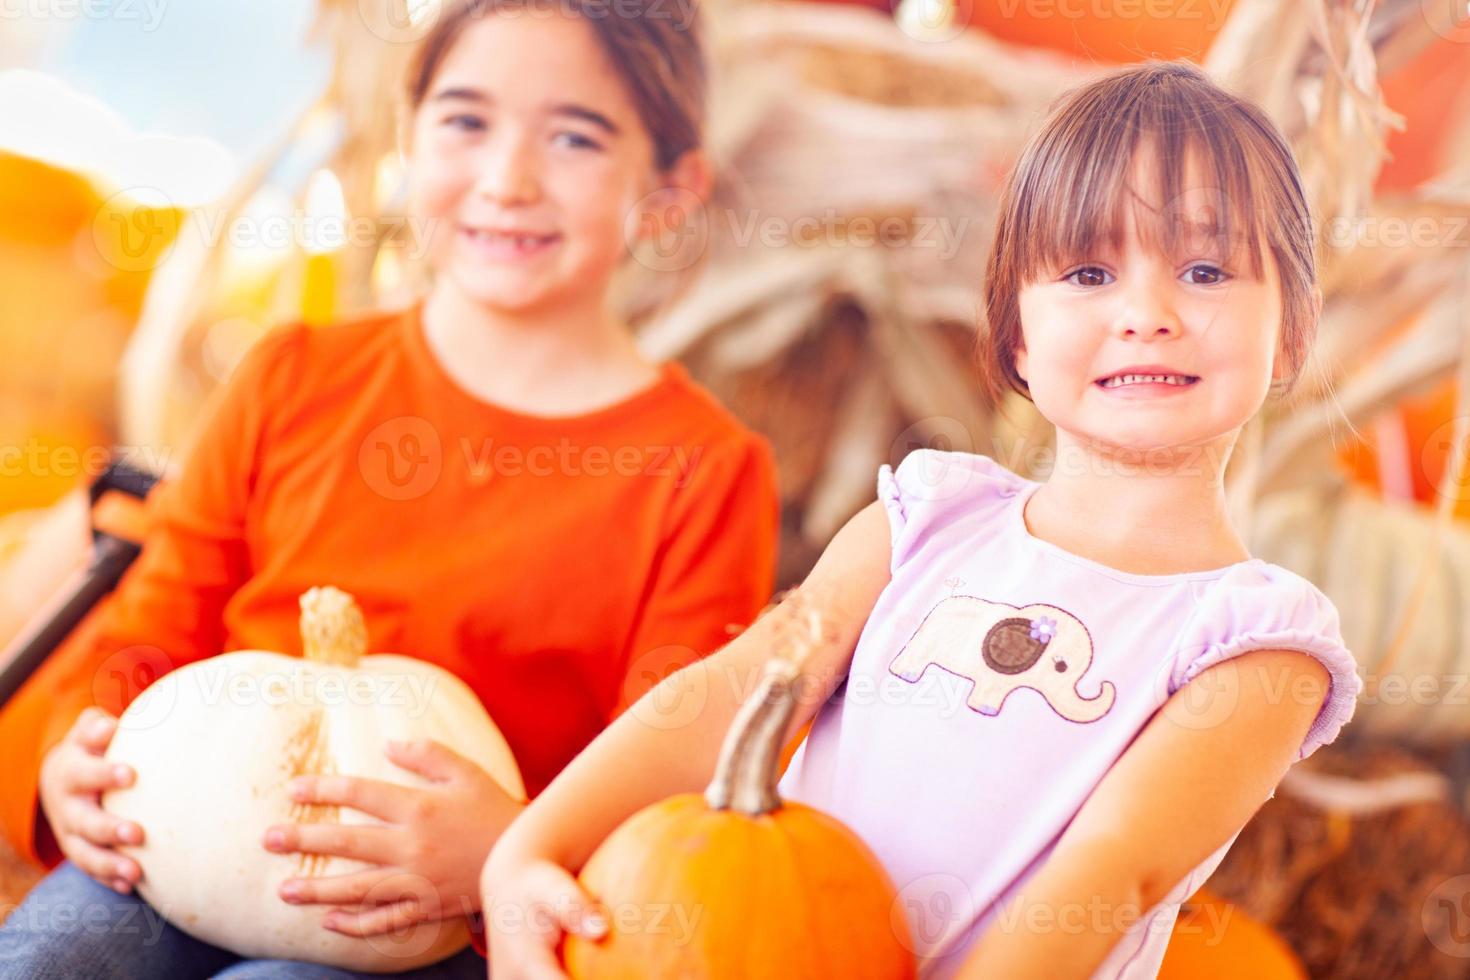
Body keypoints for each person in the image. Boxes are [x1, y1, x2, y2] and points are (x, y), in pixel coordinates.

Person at [481, 59, 1363, 979]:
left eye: (1207, 268)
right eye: (1090, 270)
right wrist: (525, 853)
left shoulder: (1256, 644)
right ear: (1016, 331)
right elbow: (736, 687)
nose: (1146, 312)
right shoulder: (926, 526)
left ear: (1293, 330)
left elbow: (1111, 872)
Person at [0, 0, 778, 976]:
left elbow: (667, 768)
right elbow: (151, 631)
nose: (509, 179)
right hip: (182, 839)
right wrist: (71, 766)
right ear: (408, 140)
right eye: (465, 120)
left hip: (438, 913)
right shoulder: (292, 374)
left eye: (575, 136)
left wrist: (510, 846)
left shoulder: (705, 468)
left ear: (668, 192)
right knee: (43, 961)